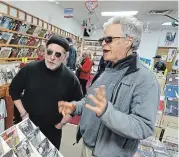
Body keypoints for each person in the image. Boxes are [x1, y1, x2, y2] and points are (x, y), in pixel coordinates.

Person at [58, 16, 160, 157]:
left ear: (128, 41)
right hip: (87, 146)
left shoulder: (146, 80)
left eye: (109, 39)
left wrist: (107, 112)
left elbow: (143, 126)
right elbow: (90, 101)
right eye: (102, 40)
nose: (103, 44)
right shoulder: (106, 70)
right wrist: (75, 107)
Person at [9, 34, 83, 150]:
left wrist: (61, 124)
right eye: (49, 52)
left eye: (57, 54)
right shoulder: (30, 69)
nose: (52, 57)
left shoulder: (70, 78)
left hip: (52, 131)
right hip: (26, 125)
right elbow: (14, 89)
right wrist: (23, 114)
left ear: (64, 57)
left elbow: (77, 104)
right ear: (45, 52)